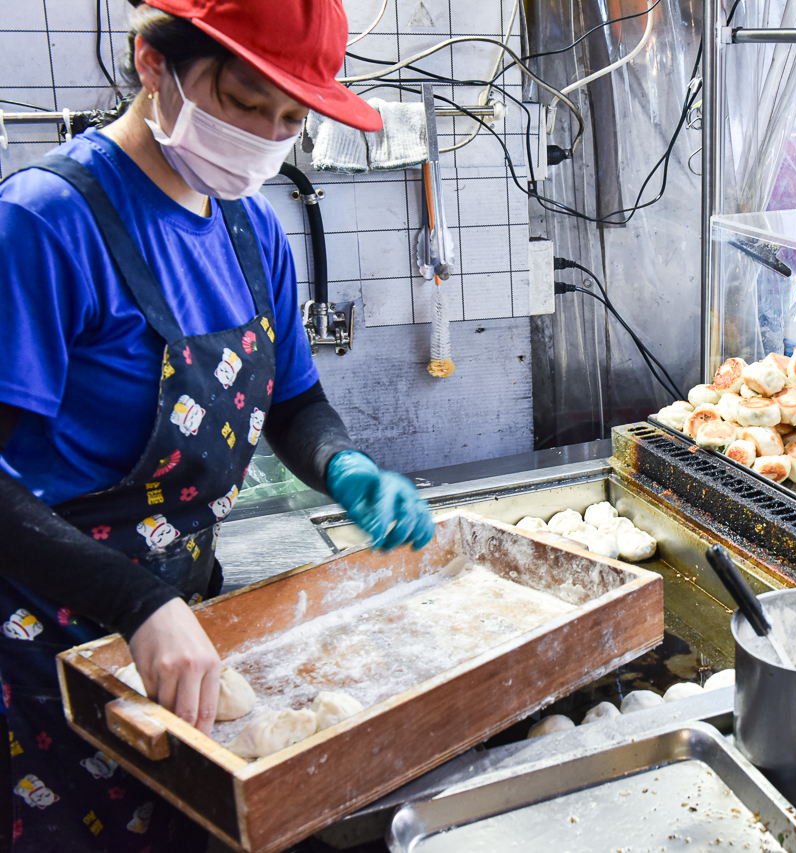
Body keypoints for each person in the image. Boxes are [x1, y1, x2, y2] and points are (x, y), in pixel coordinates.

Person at [0, 1, 435, 849]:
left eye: (291, 118)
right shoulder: (45, 224)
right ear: (152, 65)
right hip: (45, 646)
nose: (267, 136)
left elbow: (296, 402)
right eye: (244, 102)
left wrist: (343, 464)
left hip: (186, 631)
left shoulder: (249, 228)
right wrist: (135, 600)